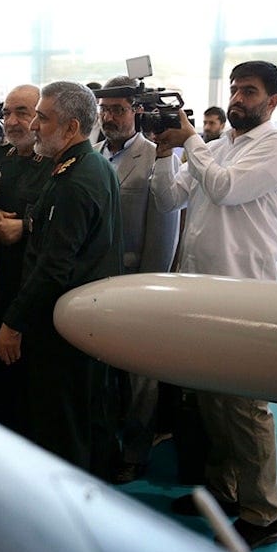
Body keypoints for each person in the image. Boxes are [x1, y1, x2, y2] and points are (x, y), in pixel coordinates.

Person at [151, 60, 277, 549]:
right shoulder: (220, 146)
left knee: (246, 408)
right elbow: (170, 198)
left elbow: (226, 189)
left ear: (272, 101)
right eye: (235, 89)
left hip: (247, 293)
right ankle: (224, 492)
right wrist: (162, 152)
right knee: (212, 399)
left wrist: (191, 142)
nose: (238, 99)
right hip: (204, 290)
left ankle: (263, 515)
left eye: (249, 92)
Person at [0, 81, 123, 469]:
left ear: (71, 128)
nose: (33, 125)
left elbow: (53, 265)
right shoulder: (91, 167)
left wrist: (13, 323)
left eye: (42, 117)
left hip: (62, 327)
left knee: (61, 431)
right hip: (83, 321)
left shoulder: (74, 181)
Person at [91, 75, 180, 483]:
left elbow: (165, 231)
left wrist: (150, 286)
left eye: (118, 110)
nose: (110, 117)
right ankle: (106, 442)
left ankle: (135, 451)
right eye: (105, 110)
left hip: (135, 279)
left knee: (138, 374)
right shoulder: (92, 154)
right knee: (106, 372)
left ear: (136, 111)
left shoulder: (156, 157)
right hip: (95, 280)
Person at [0, 84, 53, 434]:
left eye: (22, 112)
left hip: (38, 288)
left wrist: (24, 226)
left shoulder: (57, 163)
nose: (12, 121)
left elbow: (66, 224)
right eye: (7, 112)